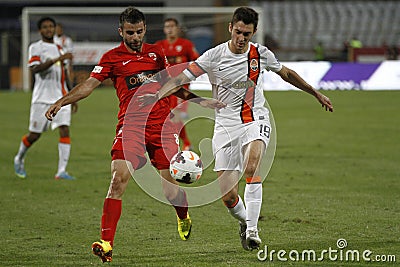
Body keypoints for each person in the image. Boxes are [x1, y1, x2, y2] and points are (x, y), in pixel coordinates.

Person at [139, 6, 333, 251]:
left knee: (252, 166)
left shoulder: (260, 54)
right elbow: (178, 79)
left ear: (254, 33)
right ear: (231, 28)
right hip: (225, 126)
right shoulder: (213, 56)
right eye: (238, 32)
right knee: (229, 197)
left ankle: (253, 230)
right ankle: (244, 222)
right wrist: (158, 96)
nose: (242, 38)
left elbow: (286, 73)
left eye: (247, 34)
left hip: (255, 119)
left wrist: (315, 93)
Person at [45, 7, 223, 263]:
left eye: (139, 32)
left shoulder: (156, 53)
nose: (135, 37)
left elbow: (171, 86)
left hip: (161, 126)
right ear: (121, 31)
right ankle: (106, 244)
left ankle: (182, 216)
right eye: (130, 32)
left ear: (144, 30)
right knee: (118, 180)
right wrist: (61, 101)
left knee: (170, 189)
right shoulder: (111, 58)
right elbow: (88, 86)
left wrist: (200, 101)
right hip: (130, 127)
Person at [13, 17, 75, 180]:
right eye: (45, 27)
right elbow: (35, 69)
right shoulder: (36, 47)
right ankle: (19, 158)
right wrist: (55, 60)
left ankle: (61, 171)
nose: (49, 29)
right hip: (41, 98)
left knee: (64, 129)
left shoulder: (60, 48)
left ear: (55, 29)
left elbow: (65, 74)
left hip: (61, 98)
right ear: (40, 30)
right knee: (34, 135)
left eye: (51, 26)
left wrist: (72, 97)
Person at [155, 18, 200, 150]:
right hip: (165, 87)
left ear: (177, 28)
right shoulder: (159, 46)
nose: (169, 29)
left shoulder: (186, 44)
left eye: (172, 26)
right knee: (168, 117)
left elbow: (197, 62)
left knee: (175, 115)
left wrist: (189, 76)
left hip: (181, 88)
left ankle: (185, 143)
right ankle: (183, 143)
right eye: (167, 26)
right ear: (164, 29)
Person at [54, 23, 74, 90]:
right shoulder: (52, 40)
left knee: (68, 79)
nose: (58, 30)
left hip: (65, 63)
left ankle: (70, 93)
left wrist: (71, 64)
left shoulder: (67, 40)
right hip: (55, 62)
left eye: (59, 29)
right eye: (57, 29)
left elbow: (70, 53)